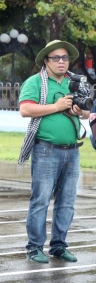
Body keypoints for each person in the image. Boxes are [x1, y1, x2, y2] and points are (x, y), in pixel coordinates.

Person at [18, 40, 90, 264]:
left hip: (72, 151)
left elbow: (87, 114)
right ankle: (34, 247)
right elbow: (25, 109)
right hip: (46, 150)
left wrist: (79, 111)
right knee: (40, 200)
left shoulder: (76, 81)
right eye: (56, 58)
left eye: (65, 58)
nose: (61, 61)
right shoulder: (35, 82)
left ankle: (59, 246)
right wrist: (56, 106)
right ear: (46, 61)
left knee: (67, 201)